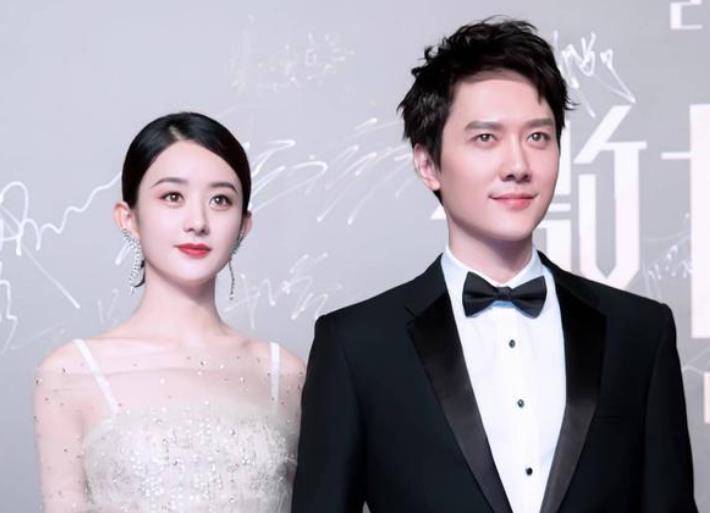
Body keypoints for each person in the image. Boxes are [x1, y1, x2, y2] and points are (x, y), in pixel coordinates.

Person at [292, 19, 697, 513]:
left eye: (538, 137)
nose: (518, 165)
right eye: (486, 138)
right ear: (427, 164)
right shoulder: (356, 344)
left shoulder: (640, 332)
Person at [34, 112, 305, 513]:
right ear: (129, 218)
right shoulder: (71, 372)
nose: (197, 222)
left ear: (243, 225)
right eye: (172, 197)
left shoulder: (285, 373)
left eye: (220, 200)